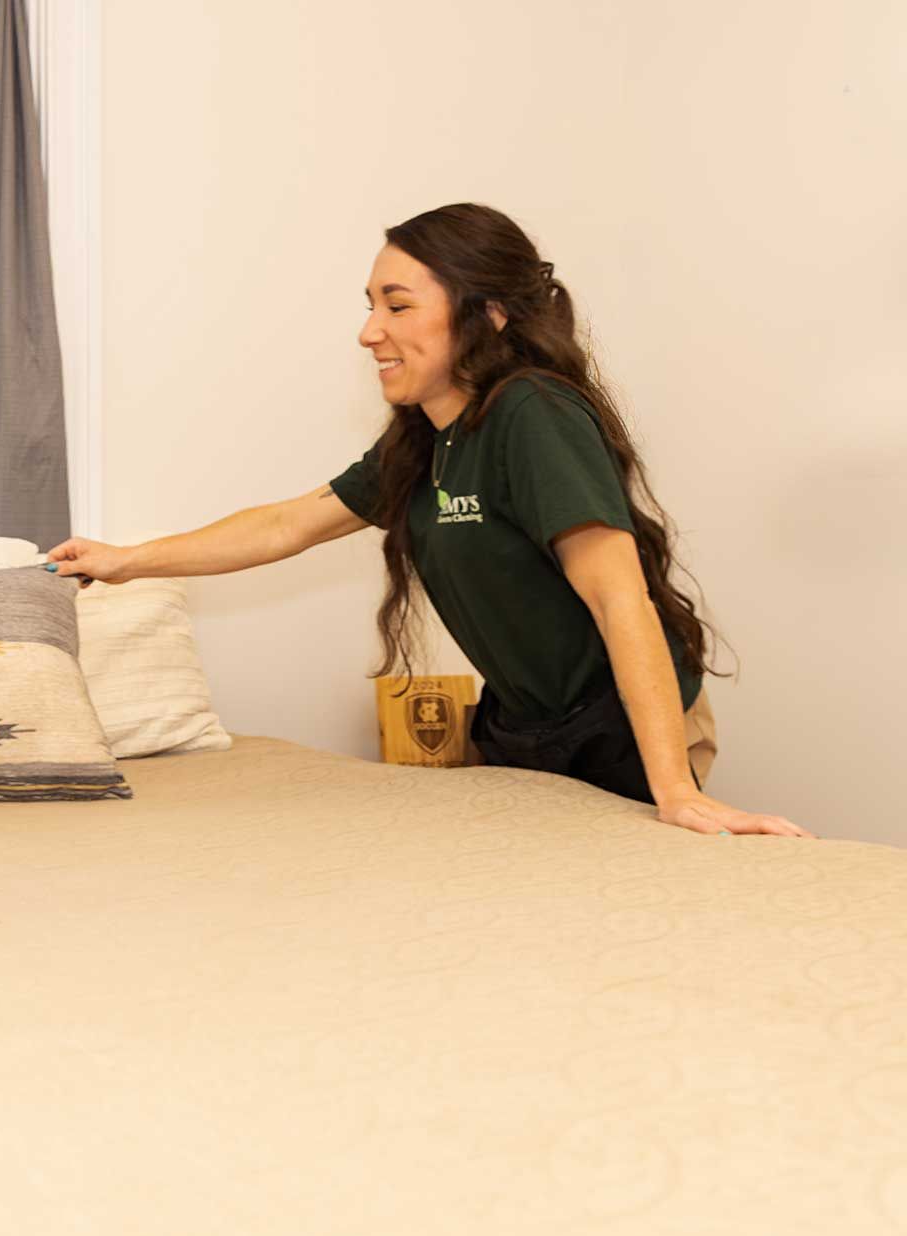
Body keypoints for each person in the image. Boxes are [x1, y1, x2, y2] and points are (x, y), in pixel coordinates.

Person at [49, 203, 810, 840]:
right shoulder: (427, 440)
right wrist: (126, 560)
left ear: (486, 313)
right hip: (522, 728)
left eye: (397, 304)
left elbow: (621, 600)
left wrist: (673, 789)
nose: (369, 331)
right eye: (370, 305)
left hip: (623, 724)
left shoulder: (531, 414)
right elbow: (288, 524)